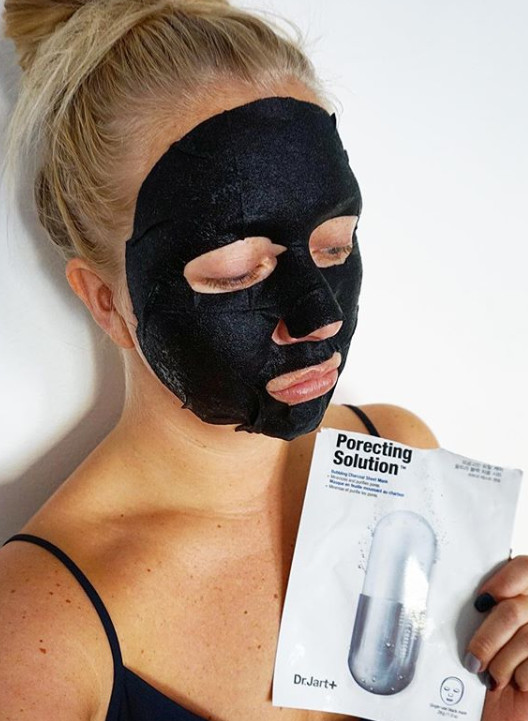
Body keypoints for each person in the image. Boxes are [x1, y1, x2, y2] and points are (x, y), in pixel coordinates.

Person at [0, 1, 526, 720]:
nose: (322, 316)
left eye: (335, 246)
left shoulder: (399, 460)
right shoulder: (36, 633)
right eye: (237, 270)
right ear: (106, 300)